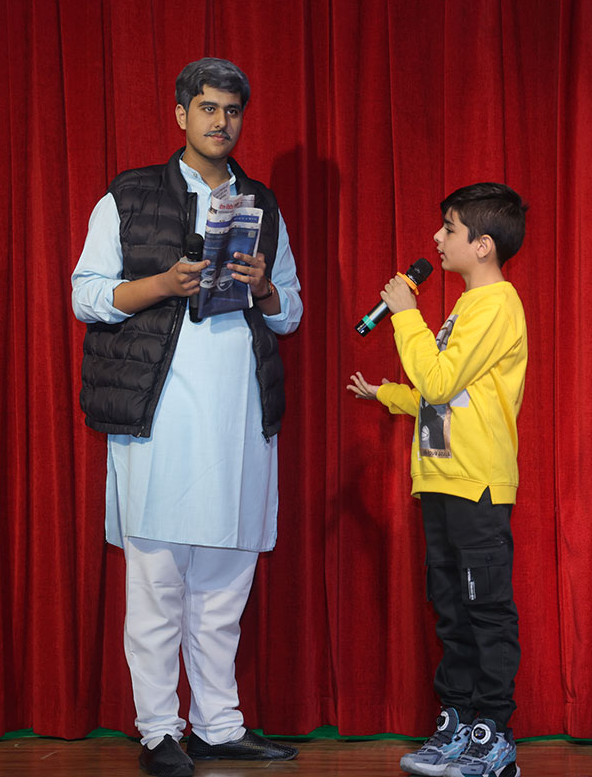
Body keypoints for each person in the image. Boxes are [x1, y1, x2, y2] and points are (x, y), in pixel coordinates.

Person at [71, 57, 302, 777]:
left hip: (240, 416)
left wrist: (264, 289)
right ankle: (157, 730)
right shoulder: (129, 195)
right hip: (160, 415)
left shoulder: (261, 204)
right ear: (180, 114)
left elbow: (291, 312)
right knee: (158, 584)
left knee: (225, 585)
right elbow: (86, 295)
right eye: (207, 108)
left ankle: (218, 725)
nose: (220, 122)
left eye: (231, 111)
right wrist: (161, 284)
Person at [347, 183, 528, 777]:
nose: (436, 238)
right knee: (450, 610)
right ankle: (456, 721)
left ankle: (492, 734)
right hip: (441, 479)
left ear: (482, 245)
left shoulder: (496, 304)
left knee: (485, 610)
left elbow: (441, 380)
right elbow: (441, 395)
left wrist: (405, 314)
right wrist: (389, 395)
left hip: (476, 483)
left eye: (448, 228)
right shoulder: (466, 307)